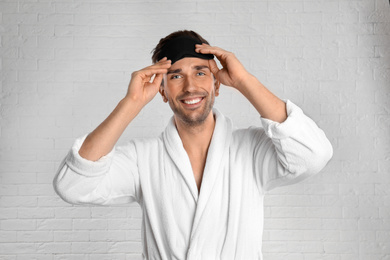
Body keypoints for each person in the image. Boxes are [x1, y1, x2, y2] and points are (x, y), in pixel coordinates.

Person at [54, 30, 333, 259]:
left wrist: (244, 81)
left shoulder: (251, 150)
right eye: (175, 76)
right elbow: (72, 186)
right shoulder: (144, 159)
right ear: (162, 90)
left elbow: (313, 154)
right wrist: (131, 104)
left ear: (217, 84)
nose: (190, 87)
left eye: (200, 72)